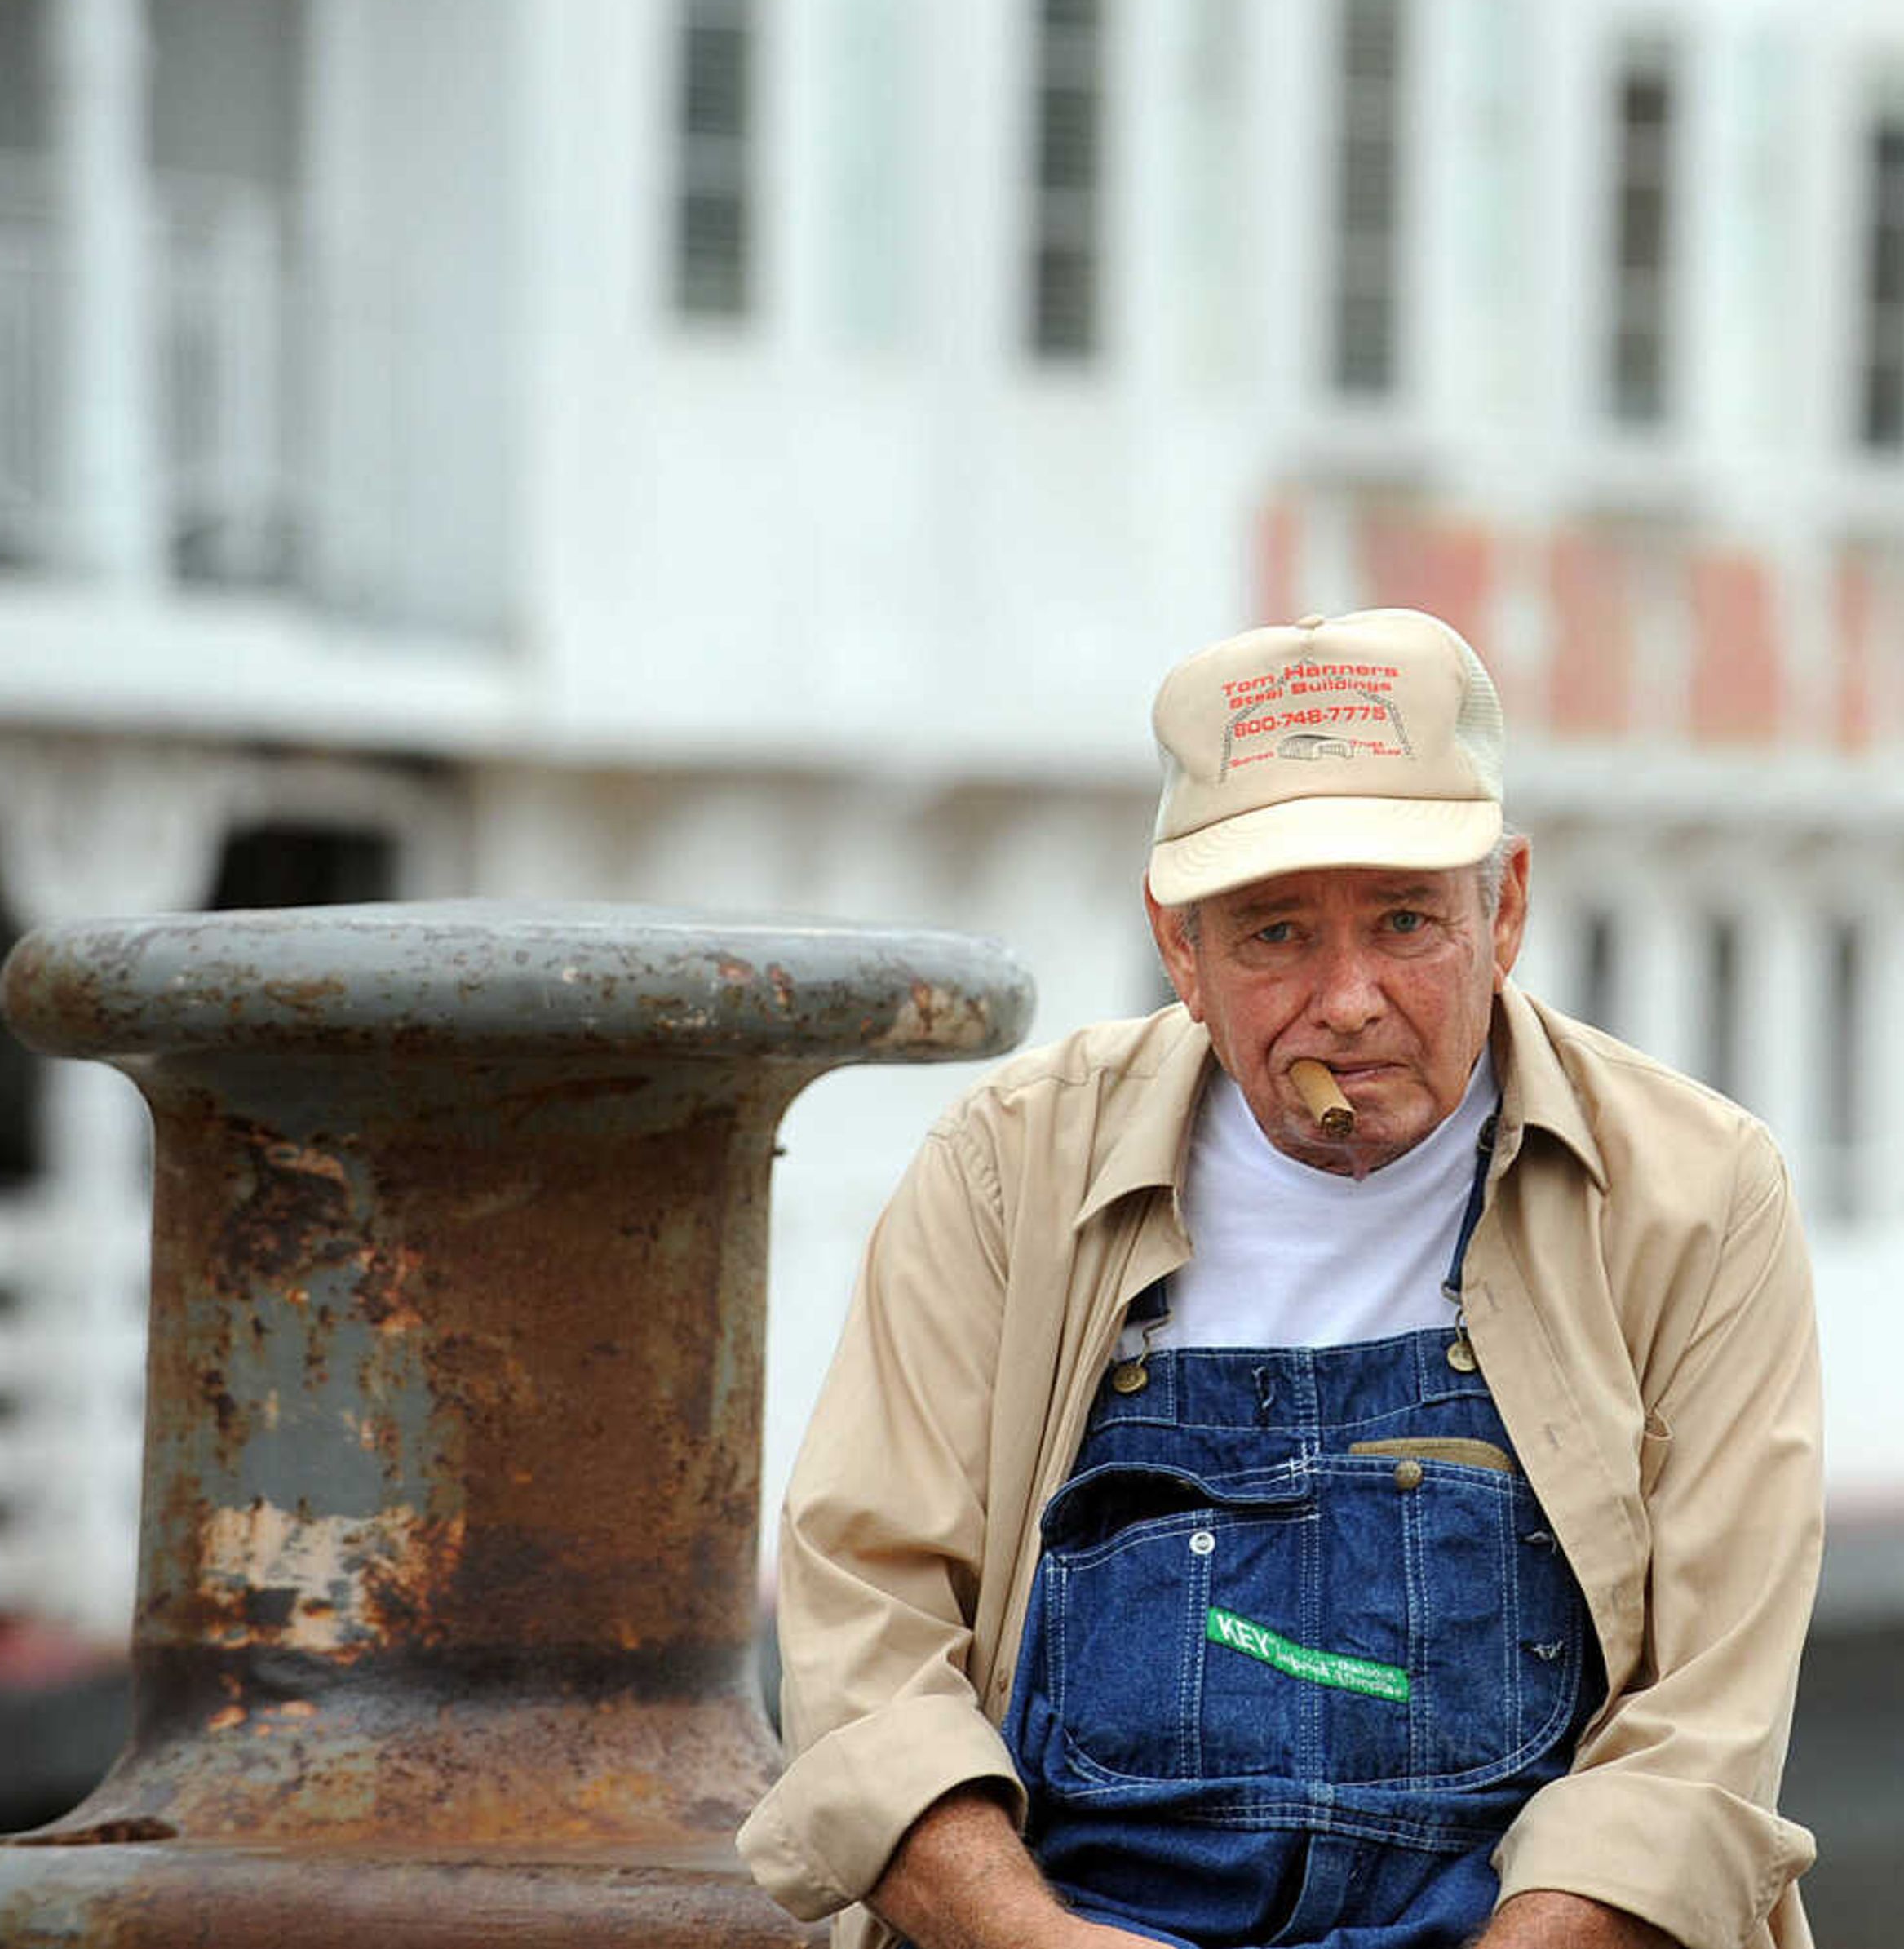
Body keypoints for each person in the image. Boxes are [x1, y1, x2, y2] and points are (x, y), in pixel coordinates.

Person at [738, 608, 1823, 1949]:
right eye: (1274, 935)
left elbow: (1705, 1733)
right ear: (1179, 948)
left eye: (1407, 917)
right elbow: (864, 1637)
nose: (1351, 997)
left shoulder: (1695, 1190)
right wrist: (1032, 1939)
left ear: (1508, 911)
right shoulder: (1006, 1171)